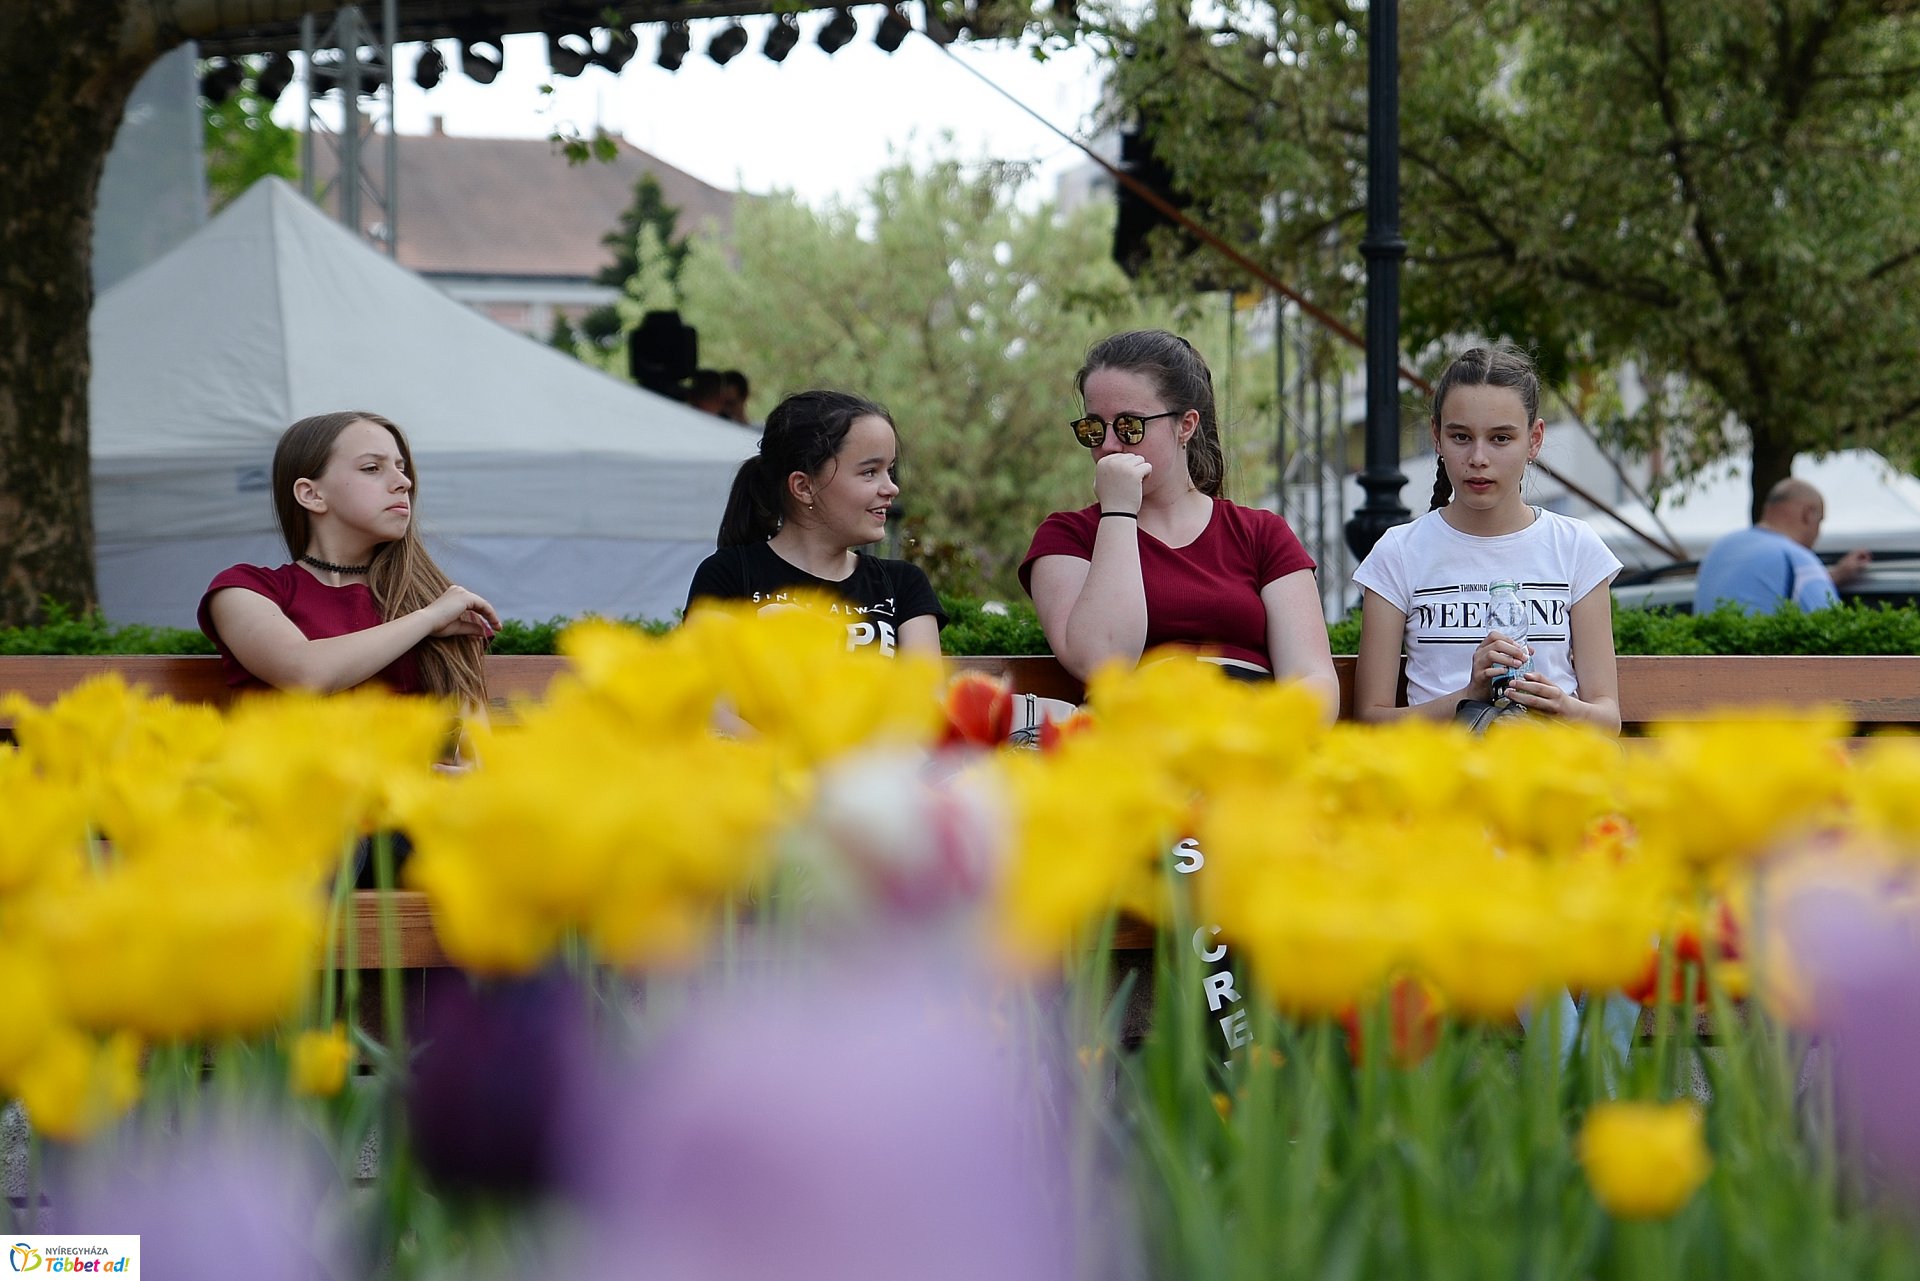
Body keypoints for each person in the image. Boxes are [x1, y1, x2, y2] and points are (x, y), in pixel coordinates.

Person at [1019, 329, 1338, 714]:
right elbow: (1103, 661)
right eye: (1093, 428)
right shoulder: (1069, 536)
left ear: (1185, 425)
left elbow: (1311, 678)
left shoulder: (1261, 534)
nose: (1108, 446)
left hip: (1248, 745)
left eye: (1129, 427)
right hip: (1130, 748)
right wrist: (1118, 512)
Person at [1352, 345, 1622, 733]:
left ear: (1534, 439)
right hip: (1443, 777)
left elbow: (1607, 717)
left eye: (1500, 439)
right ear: (1437, 437)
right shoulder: (1399, 551)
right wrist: (1469, 695)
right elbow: (1372, 719)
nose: (1478, 458)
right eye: (1461, 437)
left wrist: (1562, 705)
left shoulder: (1576, 547)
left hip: (1550, 769)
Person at [198, 411, 498, 709]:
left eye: (401, 467)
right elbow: (305, 674)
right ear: (311, 494)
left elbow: (472, 738)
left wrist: (469, 758)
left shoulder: (430, 596)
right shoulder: (245, 589)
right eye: (372, 468)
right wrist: (428, 619)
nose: (403, 482)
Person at [686, 389, 944, 655]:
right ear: (804, 486)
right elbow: (708, 688)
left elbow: (924, 693)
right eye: (869, 472)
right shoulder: (728, 574)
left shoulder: (903, 583)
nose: (891, 488)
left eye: (889, 471)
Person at [1692, 477, 1870, 614]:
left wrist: (1833, 576)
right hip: (1763, 662)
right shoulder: (1796, 559)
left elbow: (1764, 588)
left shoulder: (1721, 547)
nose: (1818, 532)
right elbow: (1829, 628)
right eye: (1820, 521)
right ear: (1808, 515)